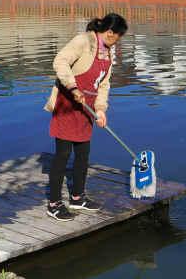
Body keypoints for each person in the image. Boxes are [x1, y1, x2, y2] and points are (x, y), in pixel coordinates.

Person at [44, 13, 127, 221]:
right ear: (110, 32)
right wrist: (72, 87)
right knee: (62, 155)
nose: (118, 40)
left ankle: (77, 197)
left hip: (87, 108)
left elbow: (104, 84)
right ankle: (54, 203)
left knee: (83, 154)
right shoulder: (83, 41)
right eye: (118, 36)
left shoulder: (107, 53)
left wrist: (100, 109)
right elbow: (60, 61)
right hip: (68, 104)